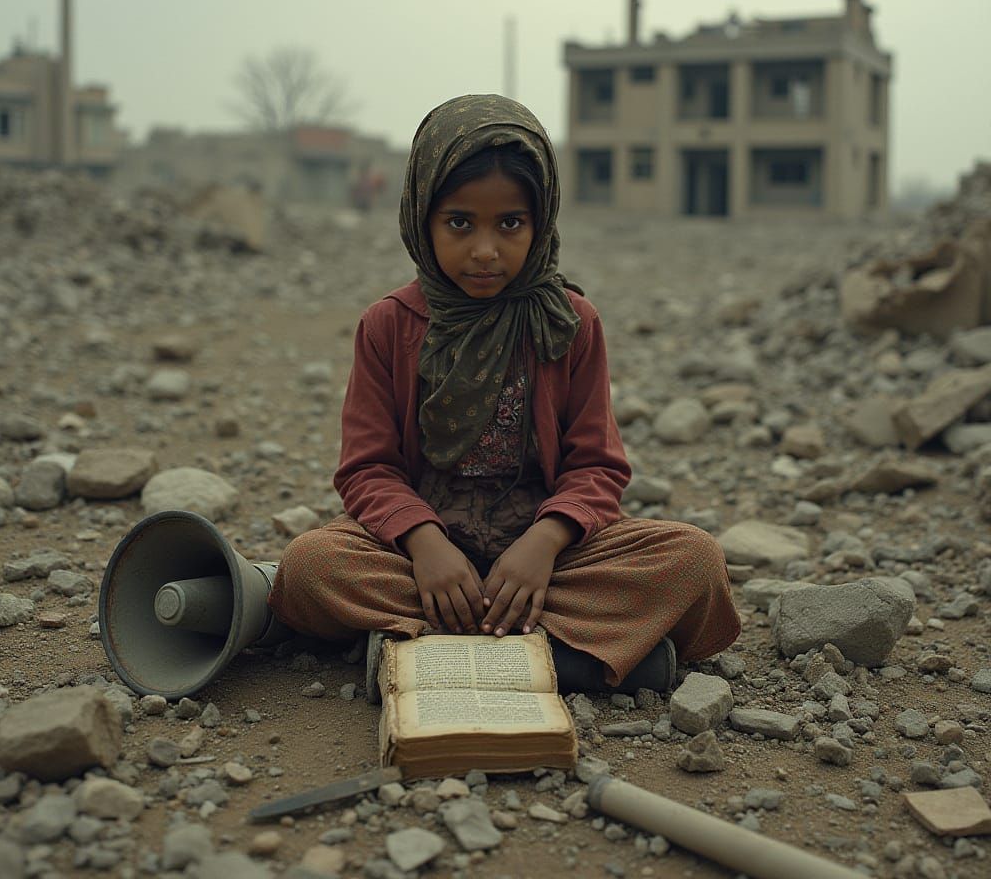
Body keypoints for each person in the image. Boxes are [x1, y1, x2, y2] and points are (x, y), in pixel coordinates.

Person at [268, 94, 740, 694]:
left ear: (540, 223)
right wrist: (426, 544)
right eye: (459, 223)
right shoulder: (388, 326)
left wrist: (544, 543)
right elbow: (368, 469)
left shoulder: (569, 322)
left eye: (510, 224)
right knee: (311, 566)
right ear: (422, 218)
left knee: (694, 560)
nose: (485, 250)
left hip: (545, 557)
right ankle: (567, 657)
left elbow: (595, 465)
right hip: (424, 553)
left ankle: (424, 648)